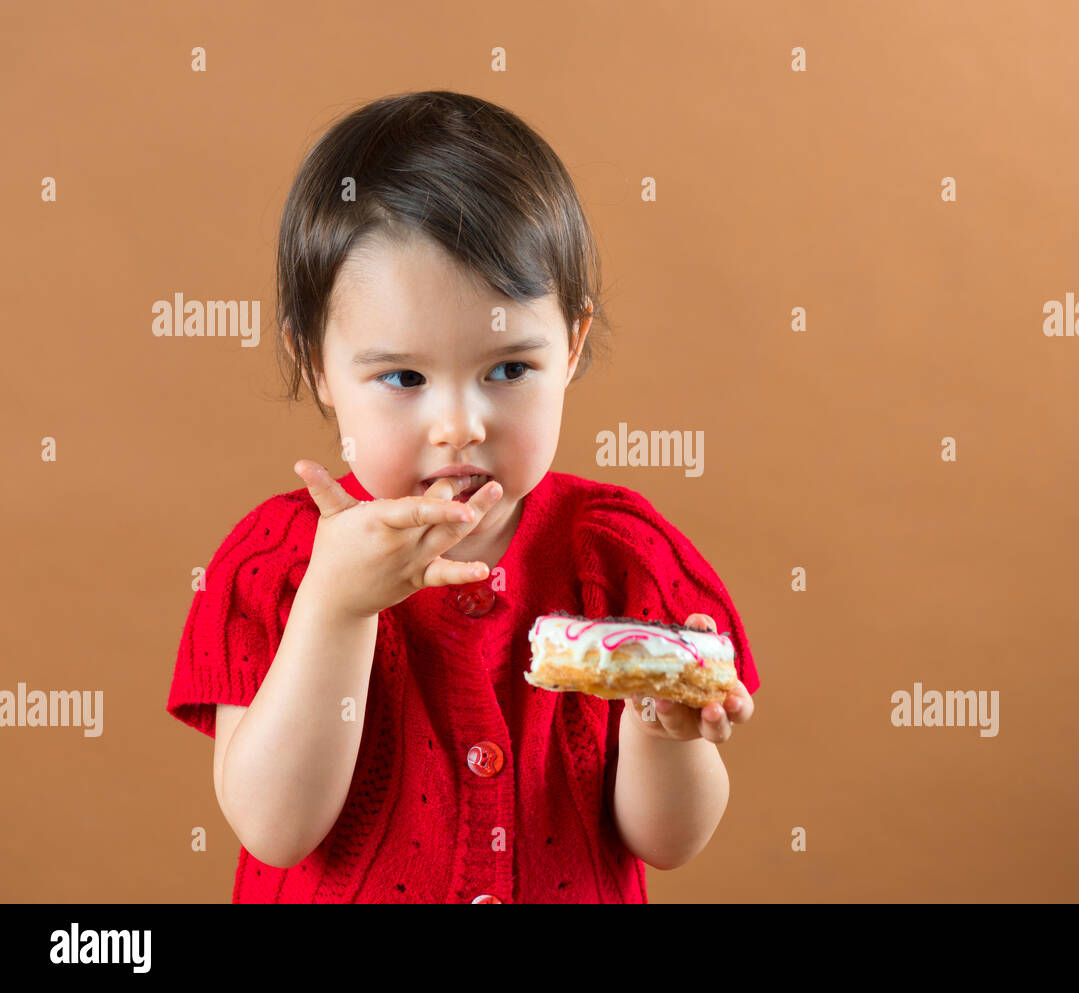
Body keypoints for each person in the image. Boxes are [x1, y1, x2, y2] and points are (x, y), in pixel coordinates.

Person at [165, 91, 759, 903]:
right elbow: (274, 827)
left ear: (572, 347)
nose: (459, 426)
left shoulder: (623, 557)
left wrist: (666, 733)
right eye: (403, 378)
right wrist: (337, 608)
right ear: (319, 368)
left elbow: (668, 840)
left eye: (508, 369)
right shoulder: (275, 566)